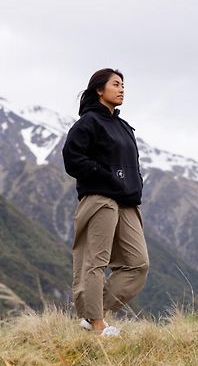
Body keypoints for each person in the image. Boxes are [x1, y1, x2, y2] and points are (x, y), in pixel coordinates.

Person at [62, 68, 150, 337]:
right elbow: (72, 158)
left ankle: (92, 314)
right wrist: (106, 175)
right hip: (100, 198)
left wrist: (133, 183)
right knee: (95, 263)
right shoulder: (88, 123)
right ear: (99, 90)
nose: (122, 89)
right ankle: (97, 326)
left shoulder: (123, 126)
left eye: (123, 84)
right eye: (116, 84)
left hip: (126, 202)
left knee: (138, 264)